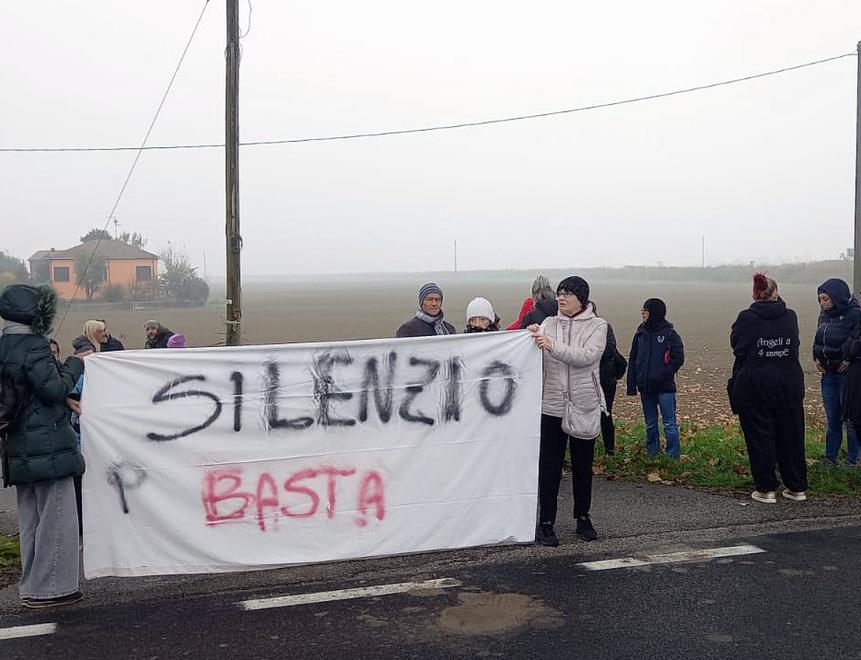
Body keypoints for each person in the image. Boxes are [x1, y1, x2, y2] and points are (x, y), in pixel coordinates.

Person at [0, 284, 86, 608]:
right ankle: (52, 589)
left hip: (18, 448)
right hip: (48, 447)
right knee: (57, 517)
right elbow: (53, 389)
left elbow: (26, 391)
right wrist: (76, 363)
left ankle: (31, 586)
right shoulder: (34, 346)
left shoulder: (4, 346)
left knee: (31, 520)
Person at [529, 276, 607, 546]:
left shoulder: (598, 326)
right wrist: (529, 338)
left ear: (581, 299)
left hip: (584, 405)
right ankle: (545, 522)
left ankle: (582, 517)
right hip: (551, 406)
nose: (561, 298)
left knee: (583, 466)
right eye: (560, 293)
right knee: (549, 467)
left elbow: (587, 357)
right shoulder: (549, 324)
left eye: (568, 294)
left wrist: (552, 346)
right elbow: (535, 356)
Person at [729, 274, 807, 503]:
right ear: (776, 292)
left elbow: (737, 345)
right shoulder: (790, 316)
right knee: (792, 437)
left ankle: (766, 489)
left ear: (755, 294)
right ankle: (796, 488)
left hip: (756, 387)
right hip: (789, 386)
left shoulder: (746, 318)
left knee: (760, 438)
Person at [627, 298, 685, 459]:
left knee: (669, 424)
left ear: (653, 313)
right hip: (646, 387)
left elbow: (678, 358)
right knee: (650, 424)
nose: (642, 313)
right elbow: (633, 359)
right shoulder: (640, 333)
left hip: (665, 387)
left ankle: (672, 457)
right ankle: (652, 455)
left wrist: (664, 374)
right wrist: (632, 384)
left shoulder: (670, 334)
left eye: (645, 311)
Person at [813, 278, 861, 466]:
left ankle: (852, 461)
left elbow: (856, 340)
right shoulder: (824, 315)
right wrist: (816, 357)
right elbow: (818, 338)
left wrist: (849, 359)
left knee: (850, 419)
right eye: (820, 299)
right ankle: (830, 457)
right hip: (828, 374)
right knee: (833, 419)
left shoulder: (855, 314)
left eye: (825, 298)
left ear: (837, 297)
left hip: (847, 375)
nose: (822, 303)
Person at [592, 303, 625, 455]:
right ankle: (589, 449)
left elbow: (610, 350)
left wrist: (589, 353)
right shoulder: (579, 329)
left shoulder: (605, 327)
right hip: (588, 378)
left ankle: (609, 450)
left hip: (605, 378)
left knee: (605, 413)